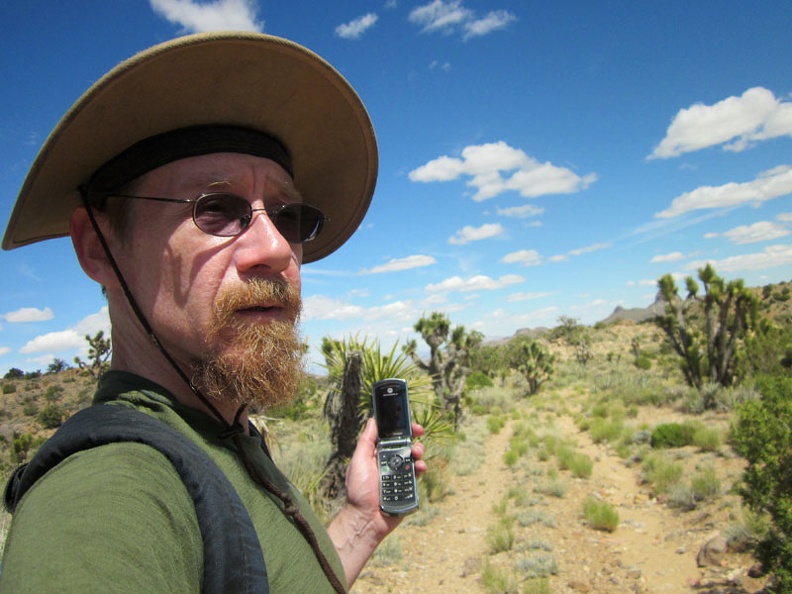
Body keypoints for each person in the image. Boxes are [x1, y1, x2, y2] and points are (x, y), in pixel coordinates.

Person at [0, 31, 426, 593]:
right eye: (216, 208)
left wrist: (363, 522)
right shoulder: (109, 497)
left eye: (287, 215)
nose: (276, 248)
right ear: (98, 245)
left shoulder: (225, 434)